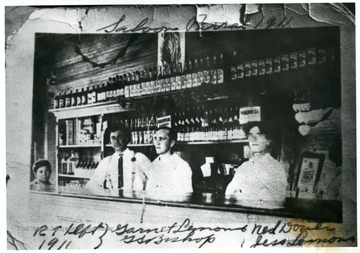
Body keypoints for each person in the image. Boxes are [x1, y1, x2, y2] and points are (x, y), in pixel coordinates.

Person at [225, 122, 287, 208]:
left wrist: (242, 193)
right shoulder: (244, 167)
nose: (254, 139)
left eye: (259, 135)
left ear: (268, 141)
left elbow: (278, 199)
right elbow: (229, 193)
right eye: (251, 136)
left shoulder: (276, 167)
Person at [85, 124, 151, 194]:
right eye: (113, 138)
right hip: (114, 202)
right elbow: (92, 185)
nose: (116, 141)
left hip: (136, 202)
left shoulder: (139, 157)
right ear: (110, 141)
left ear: (126, 138)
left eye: (119, 137)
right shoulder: (106, 161)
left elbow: (155, 180)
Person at [146, 127, 193, 199]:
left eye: (161, 139)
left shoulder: (182, 166)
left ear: (172, 143)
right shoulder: (153, 165)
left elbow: (186, 197)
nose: (157, 143)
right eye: (155, 138)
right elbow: (148, 193)